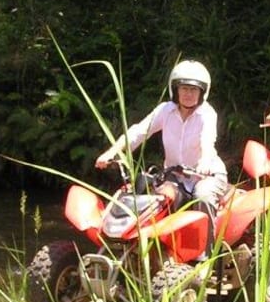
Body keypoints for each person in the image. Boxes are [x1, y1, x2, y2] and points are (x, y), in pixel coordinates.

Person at [95, 59, 228, 258]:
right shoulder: (165, 110)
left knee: (203, 195)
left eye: (194, 89)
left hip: (207, 175)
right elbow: (138, 132)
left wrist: (205, 161)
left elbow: (207, 140)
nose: (188, 94)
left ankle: (204, 258)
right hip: (175, 176)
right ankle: (157, 253)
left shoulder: (207, 114)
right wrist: (112, 153)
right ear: (175, 89)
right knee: (157, 200)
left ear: (203, 92)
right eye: (184, 88)